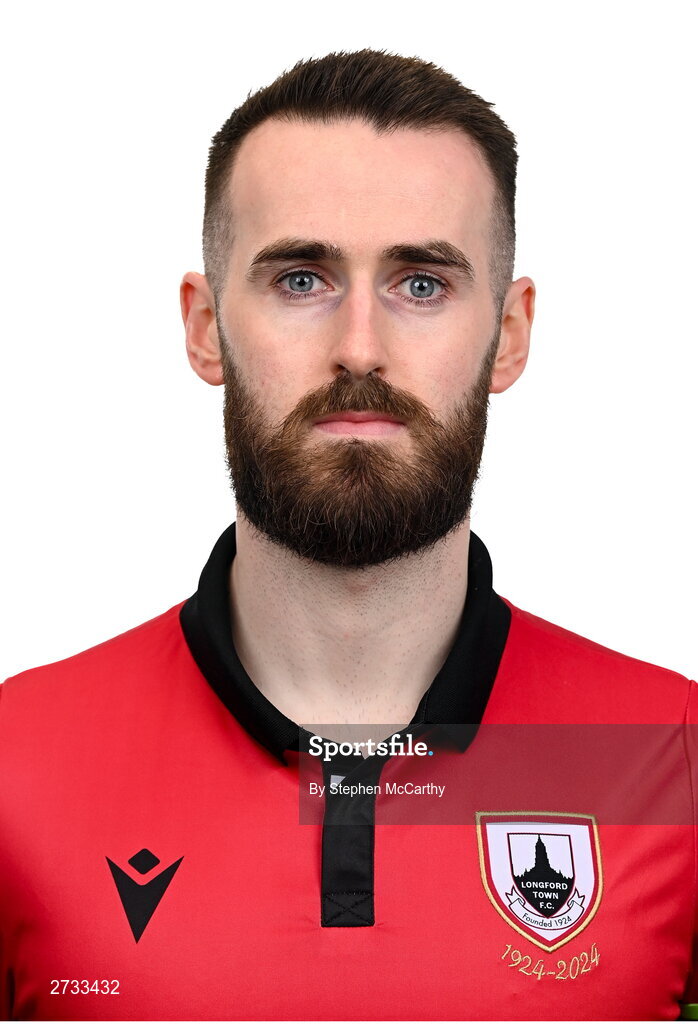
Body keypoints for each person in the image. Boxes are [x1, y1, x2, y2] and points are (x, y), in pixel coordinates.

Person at [0, 48, 695, 1022]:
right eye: (300, 278)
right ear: (205, 328)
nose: (359, 349)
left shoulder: (673, 757)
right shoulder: (15, 761)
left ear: (508, 333)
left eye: (419, 283)